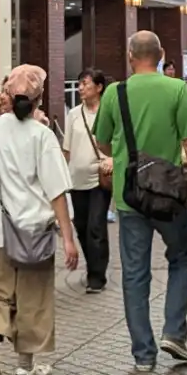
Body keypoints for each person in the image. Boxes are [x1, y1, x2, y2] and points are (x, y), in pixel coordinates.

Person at [94, 30, 187, 371]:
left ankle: (143, 355)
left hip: (130, 197)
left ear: (130, 56)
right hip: (170, 197)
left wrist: (123, 151)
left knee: (134, 274)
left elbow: (103, 144)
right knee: (183, 257)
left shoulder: (116, 93)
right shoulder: (177, 89)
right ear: (161, 54)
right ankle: (174, 332)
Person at [0, 64, 77, 375]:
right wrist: (68, 239)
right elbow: (56, 193)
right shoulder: (42, 136)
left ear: (8, 95)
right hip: (33, 234)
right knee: (33, 300)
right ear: (39, 99)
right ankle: (26, 368)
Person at [64, 68, 112, 293]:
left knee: (96, 226)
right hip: (76, 180)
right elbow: (67, 150)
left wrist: (111, 160)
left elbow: (118, 143)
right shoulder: (73, 114)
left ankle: (97, 276)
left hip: (99, 180)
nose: (81, 88)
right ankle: (93, 266)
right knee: (82, 227)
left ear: (99, 87)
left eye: (85, 83)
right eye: (79, 83)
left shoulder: (109, 111)